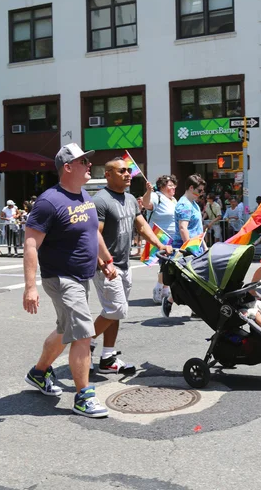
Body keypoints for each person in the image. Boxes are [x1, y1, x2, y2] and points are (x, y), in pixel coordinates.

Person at [23, 142, 116, 418]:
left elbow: (91, 234)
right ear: (68, 167)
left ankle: (38, 373)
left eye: (88, 161)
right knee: (84, 334)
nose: (89, 165)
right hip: (61, 278)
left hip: (81, 277)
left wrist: (105, 261)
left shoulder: (84, 196)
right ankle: (83, 397)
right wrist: (30, 287)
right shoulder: (49, 202)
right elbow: (30, 244)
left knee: (66, 331)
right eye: (83, 162)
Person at [91, 158, 173, 374]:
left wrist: (159, 244)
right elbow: (93, 236)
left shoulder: (129, 199)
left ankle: (107, 358)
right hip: (107, 267)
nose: (128, 174)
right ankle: (85, 342)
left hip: (124, 264)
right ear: (108, 174)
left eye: (129, 171)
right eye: (122, 171)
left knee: (114, 312)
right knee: (116, 309)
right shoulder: (100, 200)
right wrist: (102, 263)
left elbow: (142, 225)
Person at [161, 174, 206, 318]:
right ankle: (169, 300)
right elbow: (183, 228)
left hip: (196, 247)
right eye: (199, 190)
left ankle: (195, 308)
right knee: (188, 281)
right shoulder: (184, 204)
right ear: (191, 188)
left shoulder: (193, 204)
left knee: (195, 281)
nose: (201, 193)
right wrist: (189, 250)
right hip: (186, 249)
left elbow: (198, 230)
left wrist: (205, 247)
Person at [142, 174, 178, 303]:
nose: (173, 187)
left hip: (174, 239)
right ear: (162, 187)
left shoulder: (174, 200)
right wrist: (148, 191)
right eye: (170, 185)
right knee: (165, 266)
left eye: (174, 185)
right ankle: (158, 288)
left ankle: (165, 288)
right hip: (161, 238)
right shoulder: (157, 196)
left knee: (170, 266)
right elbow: (146, 204)